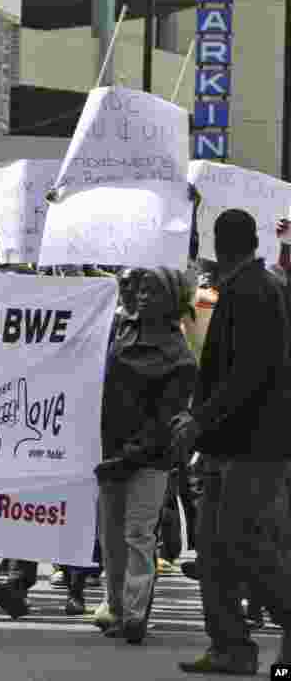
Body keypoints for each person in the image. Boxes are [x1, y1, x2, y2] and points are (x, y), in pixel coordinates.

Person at [172, 208, 291, 675]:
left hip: (254, 444)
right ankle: (230, 647)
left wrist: (199, 419)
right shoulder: (243, 288)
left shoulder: (255, 291)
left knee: (245, 545)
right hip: (227, 443)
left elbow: (250, 373)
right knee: (214, 550)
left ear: (218, 245)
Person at [93, 268, 197, 645]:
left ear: (170, 299)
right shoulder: (119, 332)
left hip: (148, 459)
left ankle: (135, 614)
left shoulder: (179, 357)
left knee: (138, 534)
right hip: (110, 453)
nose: (143, 297)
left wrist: (130, 456)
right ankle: (116, 607)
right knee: (111, 535)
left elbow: (164, 419)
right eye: (140, 290)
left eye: (152, 291)